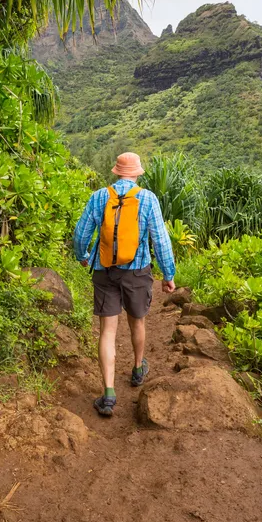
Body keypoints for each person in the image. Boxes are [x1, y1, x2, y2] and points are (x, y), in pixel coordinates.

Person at [73, 152, 176, 417]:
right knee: (137, 321)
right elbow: (161, 240)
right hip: (137, 271)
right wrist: (168, 274)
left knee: (107, 330)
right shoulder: (148, 198)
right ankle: (138, 368)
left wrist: (83, 256)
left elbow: (81, 233)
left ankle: (108, 394)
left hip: (104, 270)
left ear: (117, 171)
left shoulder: (98, 197)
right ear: (137, 173)